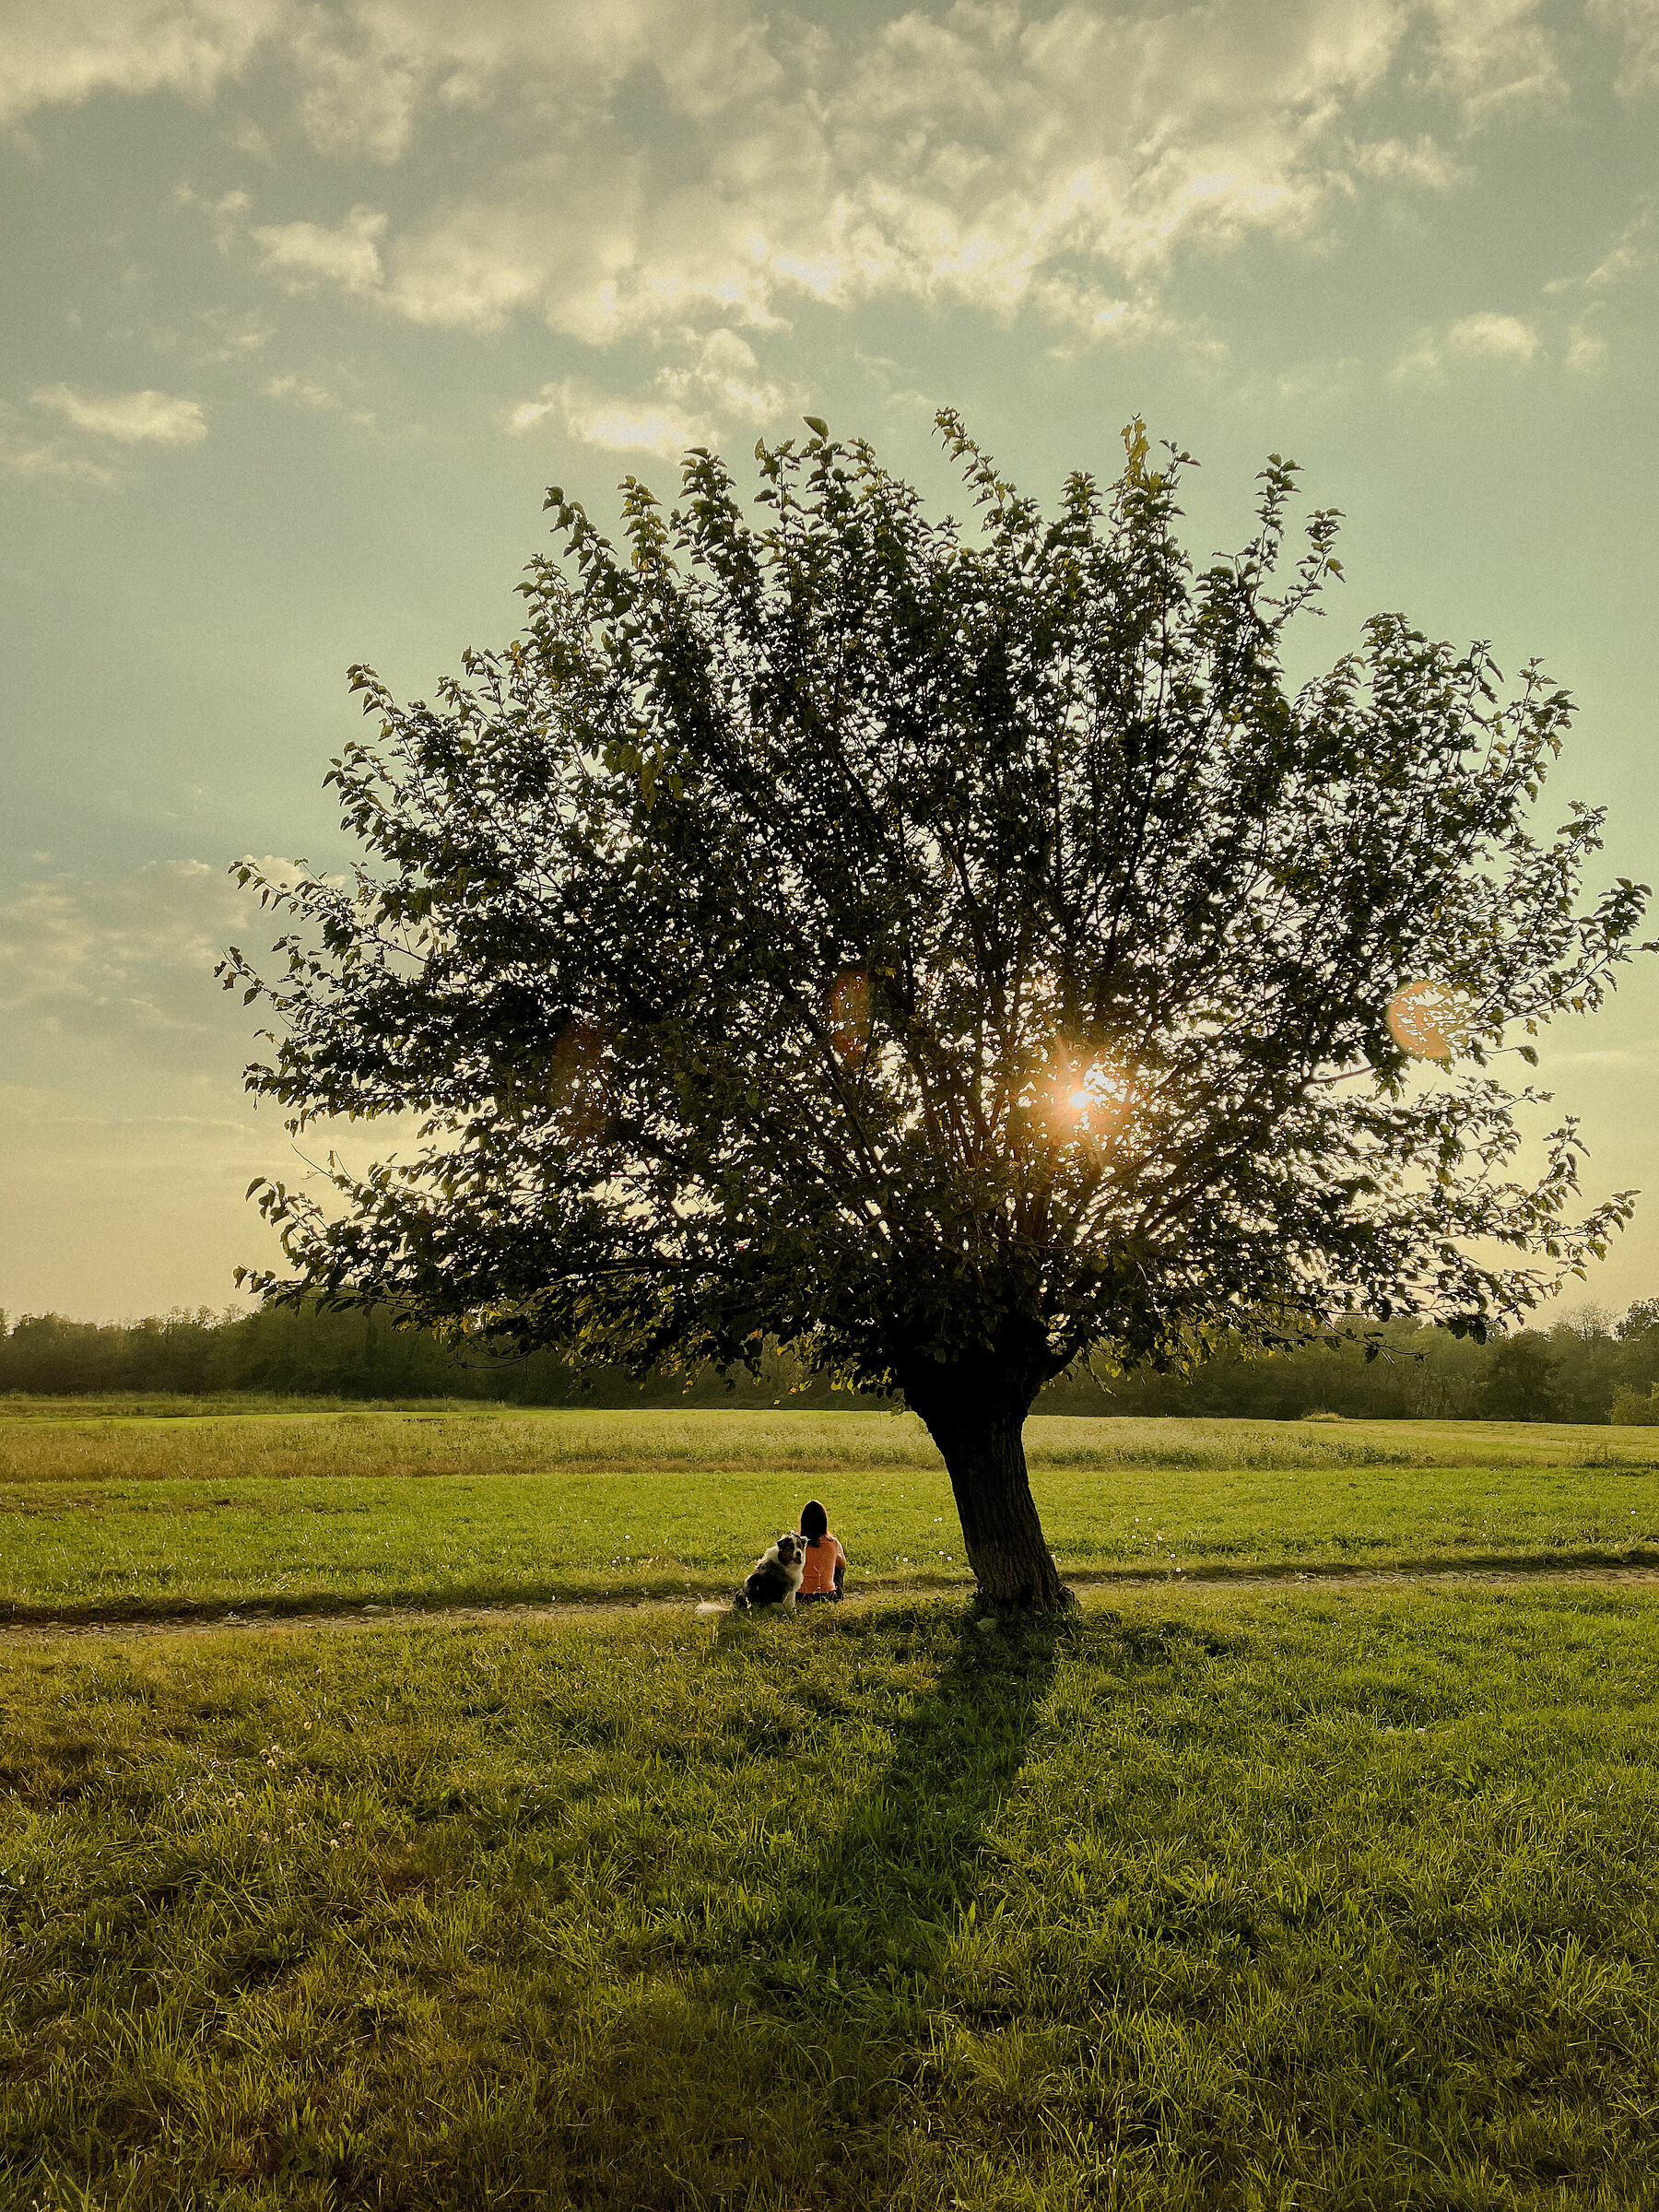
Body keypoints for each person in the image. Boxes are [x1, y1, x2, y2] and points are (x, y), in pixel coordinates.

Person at [796, 1499, 846, 1602]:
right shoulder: (833, 1542)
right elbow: (842, 1565)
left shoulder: (797, 1545)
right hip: (827, 1596)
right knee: (838, 1568)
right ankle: (838, 1598)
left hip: (801, 1596)